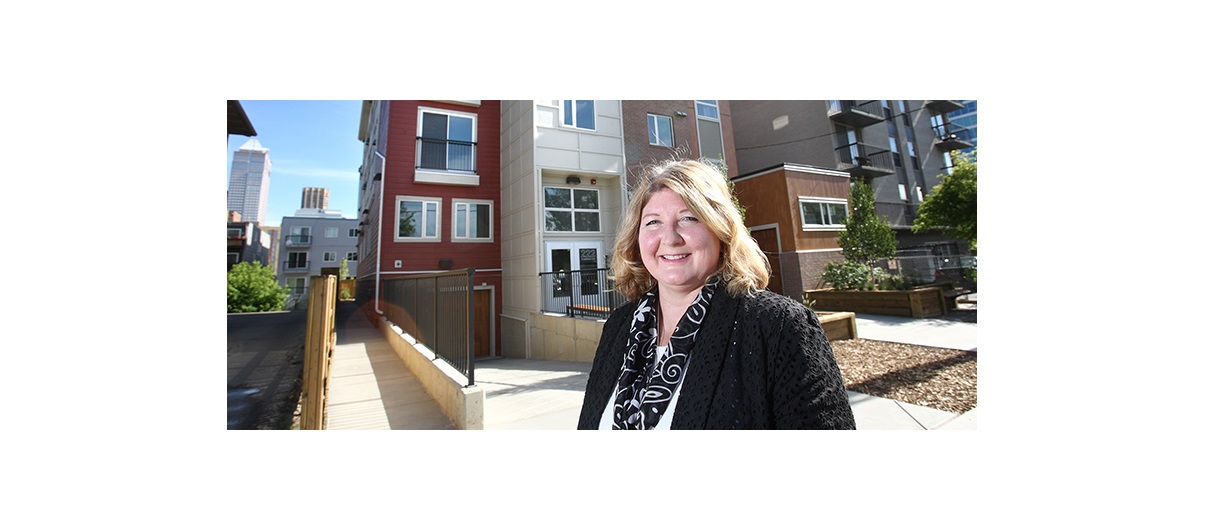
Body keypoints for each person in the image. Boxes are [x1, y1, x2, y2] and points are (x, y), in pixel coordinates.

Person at [577, 159, 856, 429]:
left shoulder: (779, 327)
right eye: (653, 222)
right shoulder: (619, 326)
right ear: (636, 238)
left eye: (689, 218)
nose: (670, 238)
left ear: (721, 230)